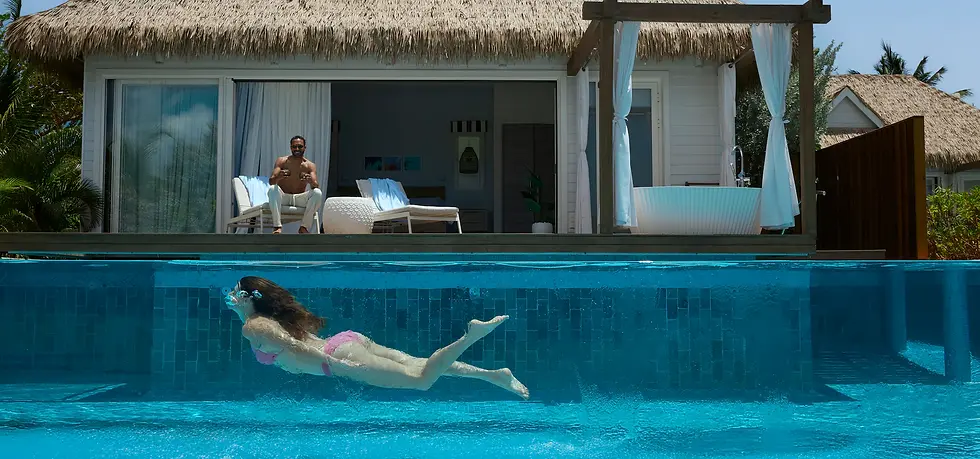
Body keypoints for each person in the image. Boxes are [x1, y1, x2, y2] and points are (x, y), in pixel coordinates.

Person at [224, 276, 530, 399]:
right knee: (421, 364)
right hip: (348, 341)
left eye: (236, 291)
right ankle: (494, 375)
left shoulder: (253, 327)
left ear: (248, 297)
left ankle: (470, 335)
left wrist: (335, 363)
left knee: (421, 379)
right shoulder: (263, 318)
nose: (230, 295)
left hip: (340, 358)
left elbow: (293, 345)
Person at [268, 135, 323, 234]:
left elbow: (315, 185)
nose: (297, 149)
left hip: (299, 199)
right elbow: (271, 181)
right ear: (290, 147)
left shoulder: (309, 165)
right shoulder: (282, 161)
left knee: (317, 193)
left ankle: (304, 227)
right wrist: (279, 177)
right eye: (294, 147)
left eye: (300, 146)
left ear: (305, 148)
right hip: (284, 197)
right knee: (272, 189)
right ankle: (277, 226)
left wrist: (310, 181)